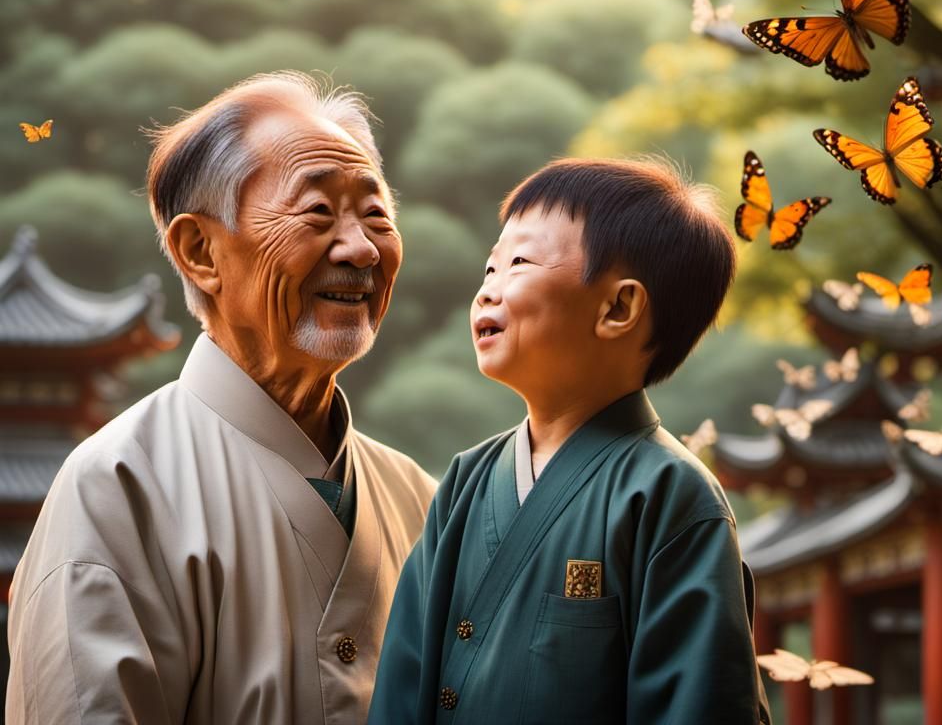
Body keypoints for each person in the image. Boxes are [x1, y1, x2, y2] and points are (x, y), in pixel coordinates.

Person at [6, 71, 436, 725]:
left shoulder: (423, 500)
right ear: (201, 250)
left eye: (375, 215)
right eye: (318, 212)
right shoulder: (118, 490)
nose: (360, 247)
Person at [368, 157, 771, 724]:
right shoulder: (466, 479)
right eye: (489, 269)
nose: (487, 292)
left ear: (619, 307)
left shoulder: (671, 496)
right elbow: (401, 688)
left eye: (519, 263)